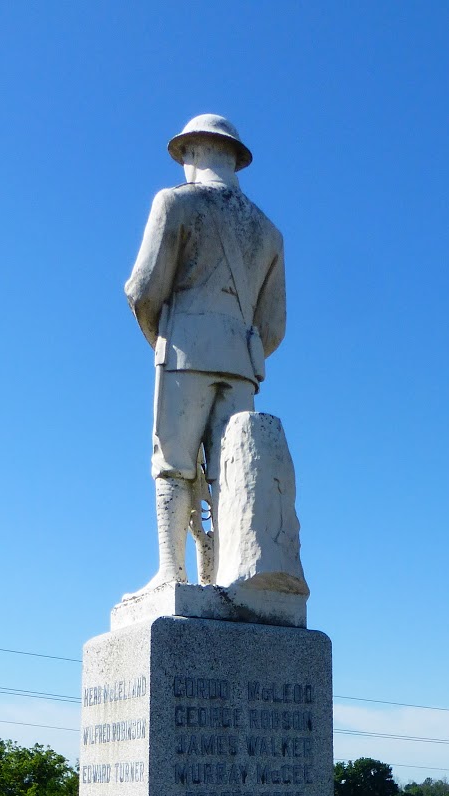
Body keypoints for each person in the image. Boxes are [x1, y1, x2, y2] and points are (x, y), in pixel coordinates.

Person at [124, 113, 286, 589]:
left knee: (173, 464)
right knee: (229, 474)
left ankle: (172, 573)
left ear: (193, 152)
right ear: (234, 158)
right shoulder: (269, 232)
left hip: (184, 351)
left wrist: (164, 338)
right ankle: (220, 579)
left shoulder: (175, 202)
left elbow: (143, 288)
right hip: (240, 365)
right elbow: (274, 326)